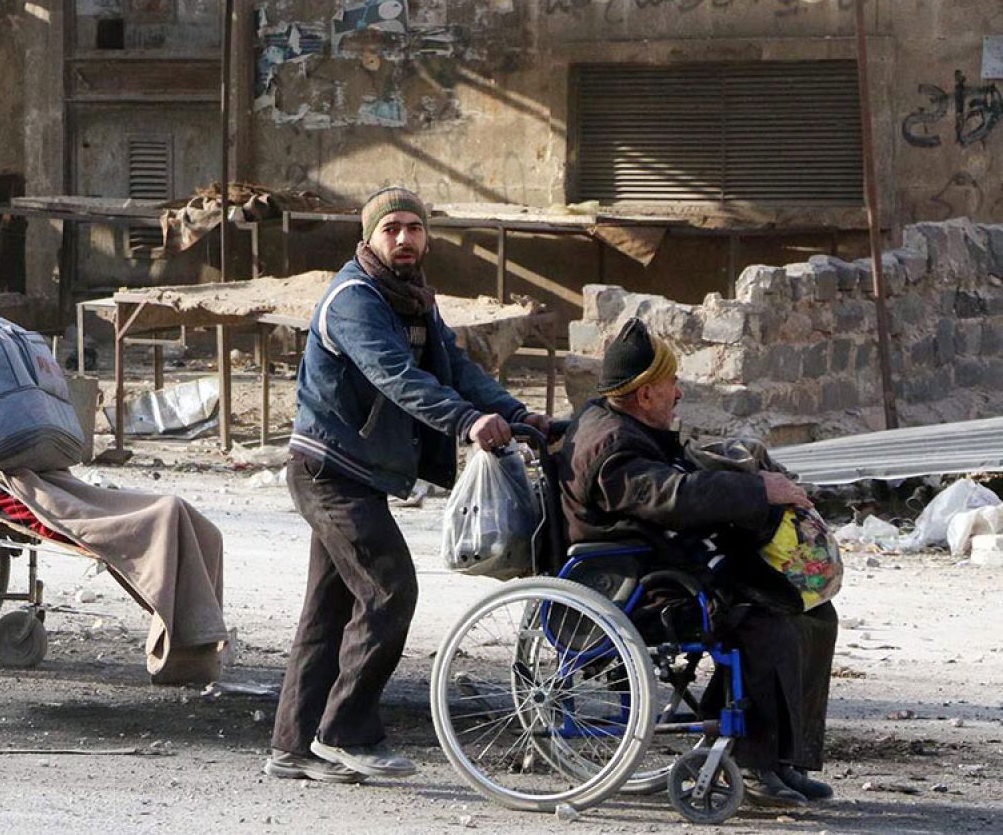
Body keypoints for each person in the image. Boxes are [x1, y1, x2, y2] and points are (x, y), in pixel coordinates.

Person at [266, 186, 547, 784]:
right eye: (390, 228)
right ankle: (346, 733)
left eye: (414, 228)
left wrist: (519, 415)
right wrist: (468, 422)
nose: (404, 238)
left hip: (358, 472)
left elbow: (456, 367)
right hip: (327, 470)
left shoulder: (414, 300)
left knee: (330, 606)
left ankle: (292, 747)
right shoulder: (355, 299)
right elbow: (395, 376)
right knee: (391, 588)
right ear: (368, 238)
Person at [558, 318, 837, 807]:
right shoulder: (615, 447)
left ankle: (780, 758)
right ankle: (752, 764)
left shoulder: (619, 425)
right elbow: (673, 497)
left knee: (813, 610)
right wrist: (758, 490)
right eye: (671, 384)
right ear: (644, 395)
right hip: (636, 588)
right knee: (765, 616)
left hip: (661, 566)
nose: (679, 393)